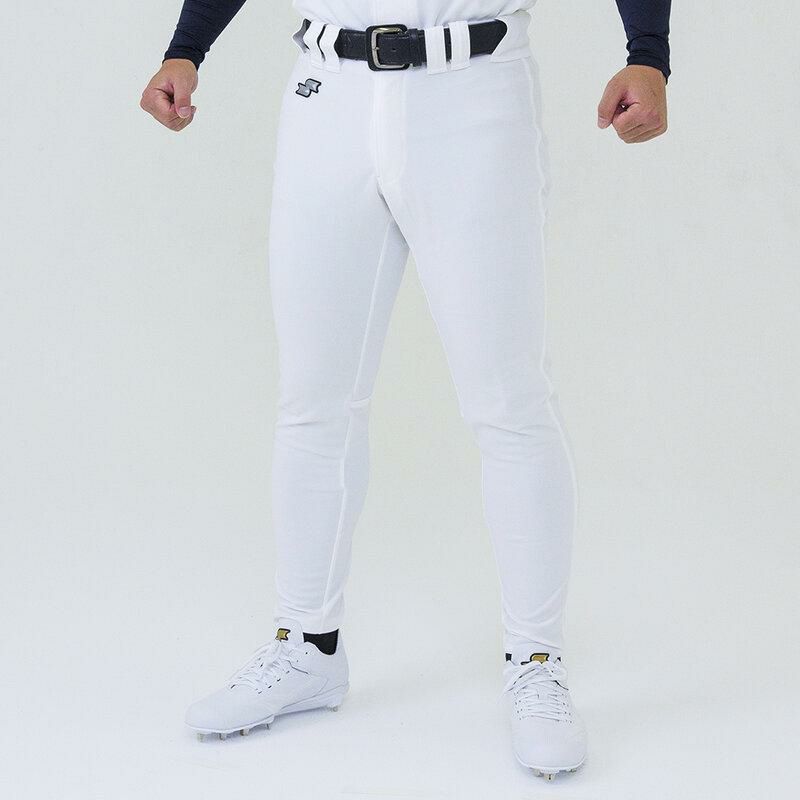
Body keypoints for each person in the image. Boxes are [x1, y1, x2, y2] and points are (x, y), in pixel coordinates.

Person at [140, 0, 670, 780]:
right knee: (313, 398)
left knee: (509, 402)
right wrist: (188, 47)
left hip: (473, 91)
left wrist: (648, 51)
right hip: (329, 93)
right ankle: (307, 645)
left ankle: (536, 659)